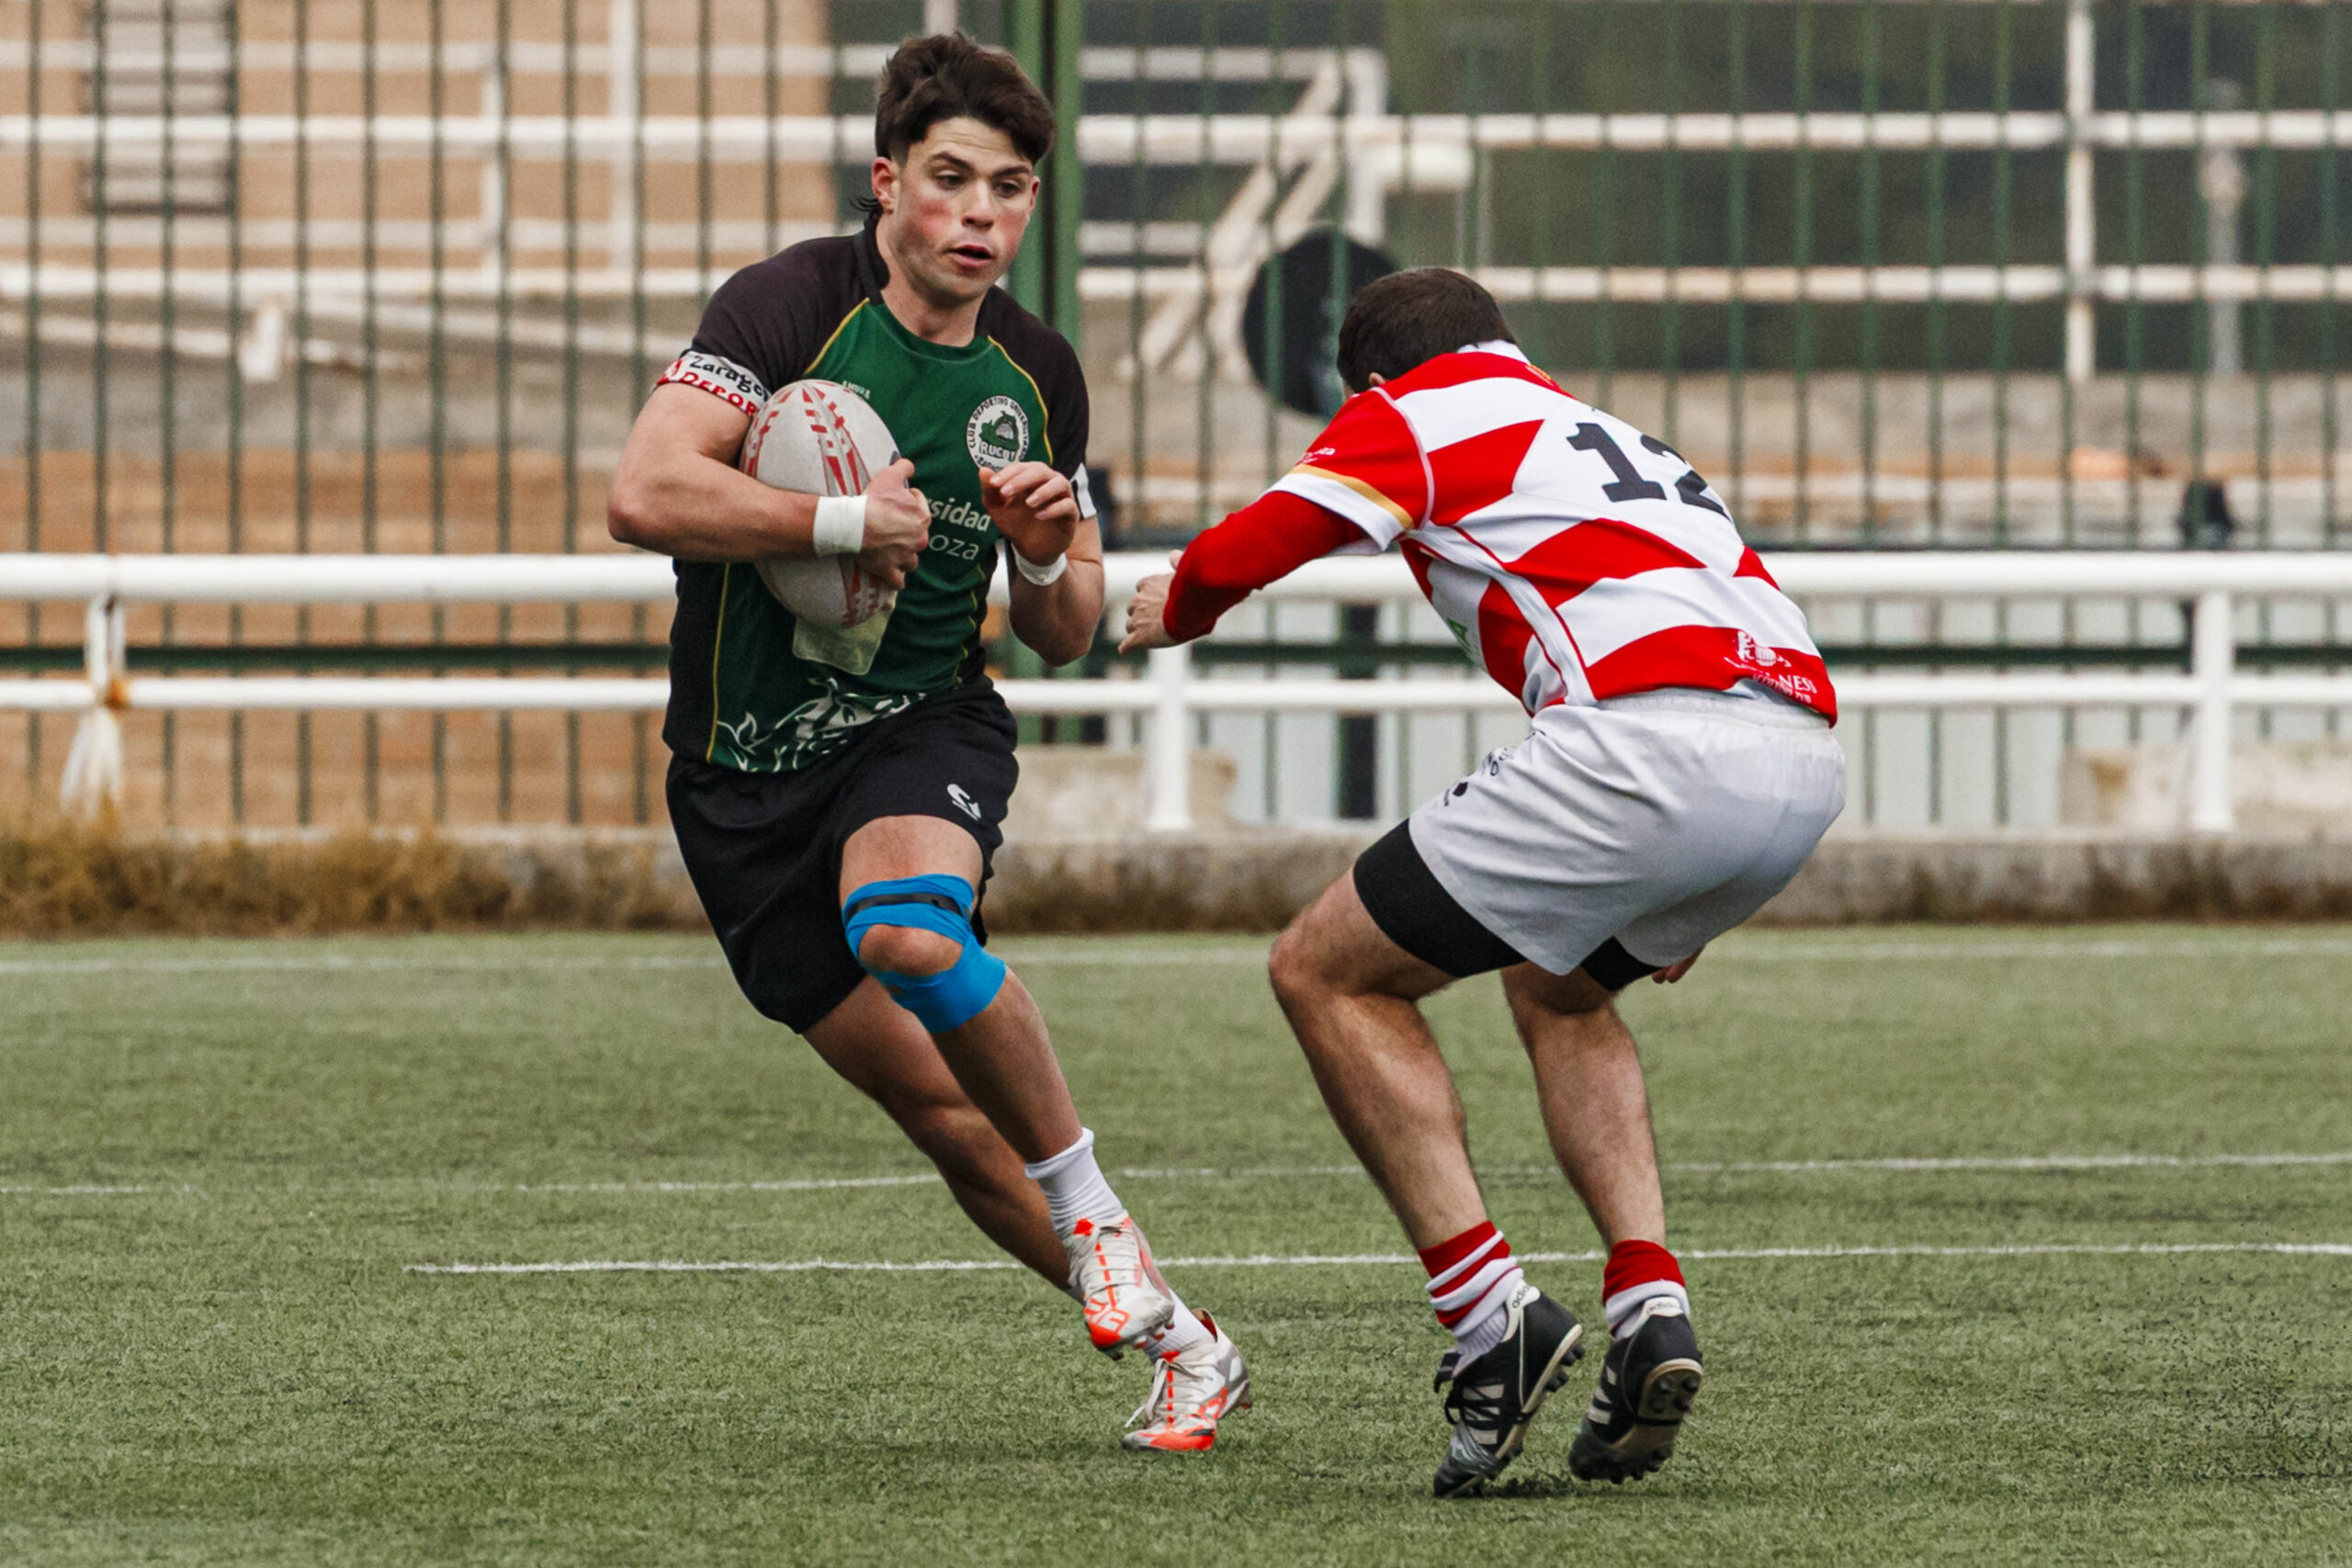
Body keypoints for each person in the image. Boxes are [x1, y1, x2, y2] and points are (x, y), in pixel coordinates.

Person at [609, 33, 1247, 1454]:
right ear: (889, 184)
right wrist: (841, 522)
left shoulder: (1037, 374)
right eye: (950, 180)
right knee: (951, 1125)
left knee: (903, 926)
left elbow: (1068, 629)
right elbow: (645, 491)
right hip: (739, 782)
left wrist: (1037, 554)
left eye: (1009, 190)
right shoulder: (786, 307)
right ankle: (1186, 1342)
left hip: (922, 726)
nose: (977, 215)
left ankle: (1098, 1214)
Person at [1122, 267, 1843, 1494]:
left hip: (1645, 745)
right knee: (1558, 989)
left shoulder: (1413, 410)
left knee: (1323, 971)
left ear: (1371, 382)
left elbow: (1264, 537)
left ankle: (1488, 1316)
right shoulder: (1604, 430)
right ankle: (1649, 1301)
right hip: (1799, 755)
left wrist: (1174, 607)